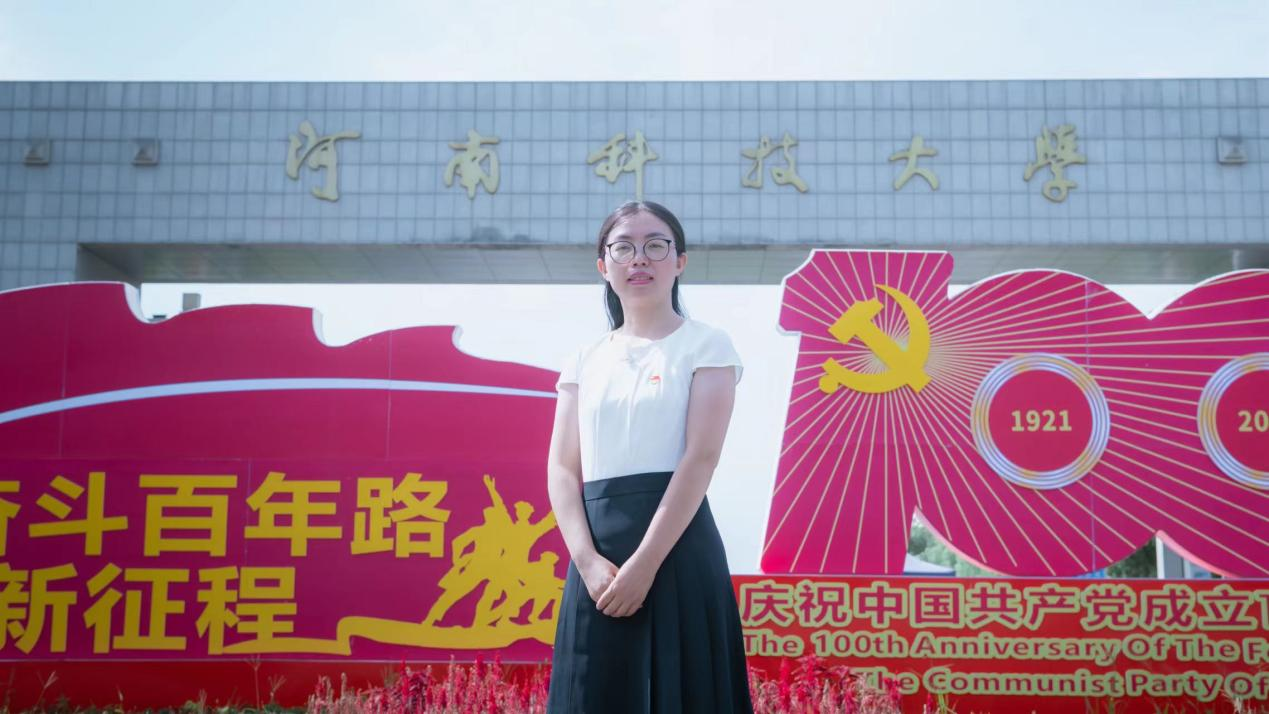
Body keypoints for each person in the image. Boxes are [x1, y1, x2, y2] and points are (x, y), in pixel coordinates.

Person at [545, 200, 754, 712]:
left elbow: (700, 458)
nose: (639, 259)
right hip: (597, 565)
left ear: (679, 261)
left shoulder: (708, 345)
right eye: (624, 248)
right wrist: (587, 562)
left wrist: (645, 564)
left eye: (655, 246)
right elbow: (562, 469)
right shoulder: (584, 359)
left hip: (677, 550)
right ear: (604, 266)